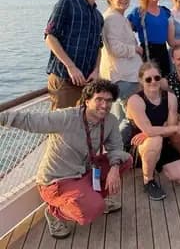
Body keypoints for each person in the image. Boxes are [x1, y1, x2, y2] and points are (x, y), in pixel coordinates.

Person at [0, 80, 132, 239]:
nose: (104, 105)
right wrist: (2, 117)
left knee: (125, 160)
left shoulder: (109, 120)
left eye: (109, 101)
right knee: (91, 210)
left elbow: (116, 147)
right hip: (57, 180)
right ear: (87, 100)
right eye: (99, 100)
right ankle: (55, 212)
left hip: (84, 172)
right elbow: (31, 121)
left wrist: (114, 168)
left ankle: (96, 199)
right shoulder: (67, 117)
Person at [44, 0, 107, 110]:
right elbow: (50, 37)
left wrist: (96, 70)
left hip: (87, 83)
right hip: (64, 79)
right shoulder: (67, 4)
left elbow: (99, 47)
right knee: (60, 128)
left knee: (81, 127)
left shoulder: (98, 17)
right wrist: (71, 67)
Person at [126, 62, 180, 201]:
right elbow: (167, 128)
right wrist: (172, 127)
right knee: (154, 140)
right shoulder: (135, 101)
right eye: (148, 79)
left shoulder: (170, 98)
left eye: (157, 78)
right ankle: (148, 180)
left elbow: (167, 130)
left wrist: (152, 131)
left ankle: (153, 164)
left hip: (162, 142)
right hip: (140, 145)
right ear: (140, 80)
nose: (153, 82)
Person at [99, 0, 143, 147]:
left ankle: (116, 151)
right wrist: (136, 49)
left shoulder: (117, 16)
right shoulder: (112, 19)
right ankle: (117, 151)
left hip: (123, 75)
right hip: (124, 76)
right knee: (128, 117)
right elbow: (115, 48)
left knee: (119, 118)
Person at [127, 0, 172, 77]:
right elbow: (125, 32)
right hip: (147, 52)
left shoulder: (165, 11)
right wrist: (134, 47)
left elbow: (171, 39)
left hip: (163, 51)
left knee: (165, 83)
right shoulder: (139, 12)